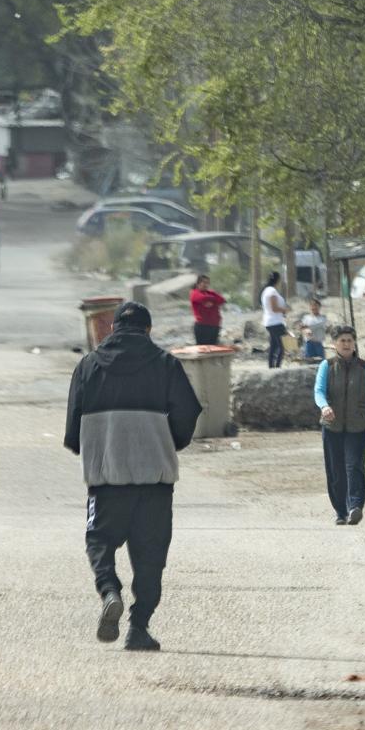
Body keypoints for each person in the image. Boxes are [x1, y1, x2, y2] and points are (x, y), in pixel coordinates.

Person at [63, 302, 202, 652]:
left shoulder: (88, 365)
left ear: (112, 329)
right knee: (150, 557)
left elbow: (72, 429)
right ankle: (138, 628)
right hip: (154, 478)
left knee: (99, 541)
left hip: (107, 477)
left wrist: (96, 449)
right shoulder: (166, 364)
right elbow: (188, 412)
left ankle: (110, 591)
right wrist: (168, 442)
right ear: (148, 330)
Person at [313, 325, 365, 525]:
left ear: (354, 344)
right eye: (342, 341)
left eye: (349, 341)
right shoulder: (326, 366)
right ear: (335, 344)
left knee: (354, 466)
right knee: (336, 470)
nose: (346, 344)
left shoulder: (363, 367)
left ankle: (355, 507)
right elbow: (318, 391)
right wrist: (324, 406)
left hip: (358, 426)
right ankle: (341, 512)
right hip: (332, 426)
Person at [261, 271, 291, 368]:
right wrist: (285, 309)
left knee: (274, 346)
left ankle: (271, 367)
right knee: (282, 347)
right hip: (275, 322)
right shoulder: (272, 291)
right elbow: (274, 308)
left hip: (270, 322)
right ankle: (277, 367)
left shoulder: (266, 291)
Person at [189, 274, 225, 345]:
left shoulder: (210, 293)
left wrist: (212, 302)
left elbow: (222, 300)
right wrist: (215, 301)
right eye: (204, 282)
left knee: (214, 348)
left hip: (215, 326)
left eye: (208, 283)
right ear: (198, 283)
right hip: (203, 327)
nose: (206, 285)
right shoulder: (195, 293)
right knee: (203, 349)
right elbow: (203, 298)